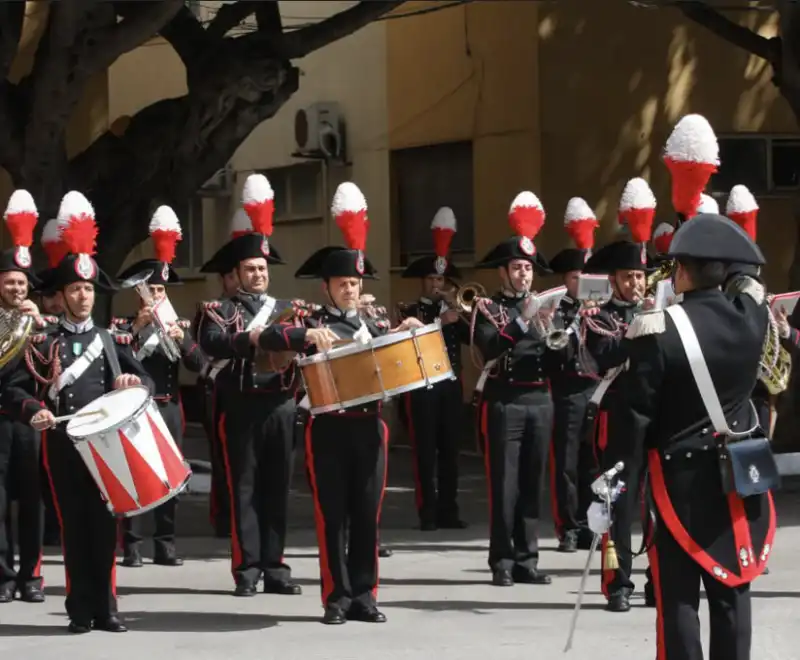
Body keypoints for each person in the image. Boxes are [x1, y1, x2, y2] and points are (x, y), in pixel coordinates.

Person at [256, 182, 423, 625]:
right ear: (326, 287)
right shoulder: (306, 318)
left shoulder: (374, 320)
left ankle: (365, 595)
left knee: (367, 514)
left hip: (370, 426)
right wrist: (303, 335)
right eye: (343, 283)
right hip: (327, 427)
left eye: (356, 283)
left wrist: (406, 332)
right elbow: (271, 339)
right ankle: (335, 597)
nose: (351, 290)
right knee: (333, 516)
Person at [615, 213, 774, 660]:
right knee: (733, 590)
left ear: (681, 272)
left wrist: (615, 483)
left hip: (678, 487)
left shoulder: (658, 330)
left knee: (679, 599)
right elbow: (750, 281)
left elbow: (635, 417)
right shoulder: (751, 318)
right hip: (738, 480)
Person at [2, 191, 152, 633]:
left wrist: (131, 383)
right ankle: (79, 609)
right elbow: (13, 389)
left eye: (88, 288)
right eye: (76, 289)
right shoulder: (44, 340)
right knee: (74, 528)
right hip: (63, 444)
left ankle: (106, 607)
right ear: (62, 296)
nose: (84, 296)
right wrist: (34, 411)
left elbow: (145, 380)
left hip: (104, 447)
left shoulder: (109, 340)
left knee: (106, 528)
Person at [197, 174, 302, 597]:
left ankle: (275, 566)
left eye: (262, 268)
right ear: (237, 273)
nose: (258, 275)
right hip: (239, 406)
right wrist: (255, 339)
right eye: (250, 269)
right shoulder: (217, 309)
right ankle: (247, 569)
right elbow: (213, 343)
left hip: (281, 405)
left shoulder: (289, 308)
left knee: (278, 488)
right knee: (243, 488)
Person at [470, 191, 554, 588]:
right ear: (502, 272)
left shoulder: (545, 309)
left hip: (540, 399)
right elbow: (488, 347)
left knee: (532, 482)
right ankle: (502, 560)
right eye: (518, 268)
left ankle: (527, 558)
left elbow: (560, 359)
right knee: (504, 484)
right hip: (504, 399)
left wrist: (560, 331)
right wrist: (522, 321)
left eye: (529, 269)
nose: (525, 275)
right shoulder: (488, 308)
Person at [113, 206, 205, 567]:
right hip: (137, 409)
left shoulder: (178, 323)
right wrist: (137, 327)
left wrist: (182, 339)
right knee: (137, 473)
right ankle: (132, 544)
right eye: (150, 290)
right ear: (139, 294)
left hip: (170, 406)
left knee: (171, 475)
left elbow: (197, 365)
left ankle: (165, 543)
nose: (156, 296)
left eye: (161, 290)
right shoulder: (123, 323)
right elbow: (118, 358)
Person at [581, 230, 658, 612]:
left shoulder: (660, 312)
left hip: (656, 416)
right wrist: (639, 328)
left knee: (657, 505)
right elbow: (606, 356)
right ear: (613, 280)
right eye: (628, 277)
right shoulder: (600, 316)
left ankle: (658, 581)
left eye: (640, 276)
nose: (636, 283)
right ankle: (618, 584)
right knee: (619, 507)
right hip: (621, 417)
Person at [396, 207, 469, 531]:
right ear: (423, 281)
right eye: (431, 279)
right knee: (424, 453)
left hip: (451, 385)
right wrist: (440, 321)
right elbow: (411, 340)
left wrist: (462, 311)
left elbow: (470, 340)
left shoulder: (454, 308)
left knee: (450, 452)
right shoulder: (409, 310)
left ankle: (449, 510)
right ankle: (427, 513)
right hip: (421, 386)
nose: (436, 284)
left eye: (440, 279)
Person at [0, 190, 48, 603]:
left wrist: (39, 327)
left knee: (32, 501)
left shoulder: (41, 324)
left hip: (30, 422)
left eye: (22, 282)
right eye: (10, 281)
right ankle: (2, 574)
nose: (17, 288)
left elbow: (53, 370)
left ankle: (31, 575)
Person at [546, 197, 599, 552]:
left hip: (594, 389)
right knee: (564, 463)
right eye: (575, 278)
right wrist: (573, 321)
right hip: (566, 389)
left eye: (585, 277)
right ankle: (567, 526)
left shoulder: (600, 308)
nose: (581, 283)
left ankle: (590, 523)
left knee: (591, 462)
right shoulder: (554, 309)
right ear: (565, 280)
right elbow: (555, 350)